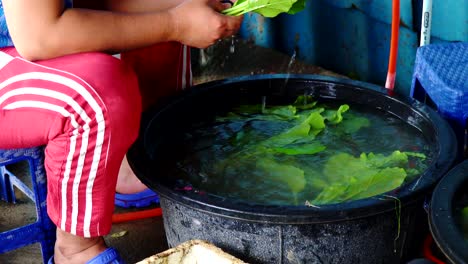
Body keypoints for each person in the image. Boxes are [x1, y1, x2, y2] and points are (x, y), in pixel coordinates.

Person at [0, 0, 242, 263]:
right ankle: (75, 250)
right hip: (22, 42)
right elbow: (40, 36)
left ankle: (128, 165)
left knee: (172, 10)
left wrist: (186, 9)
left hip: (29, 31)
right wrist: (175, 23)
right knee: (97, 96)